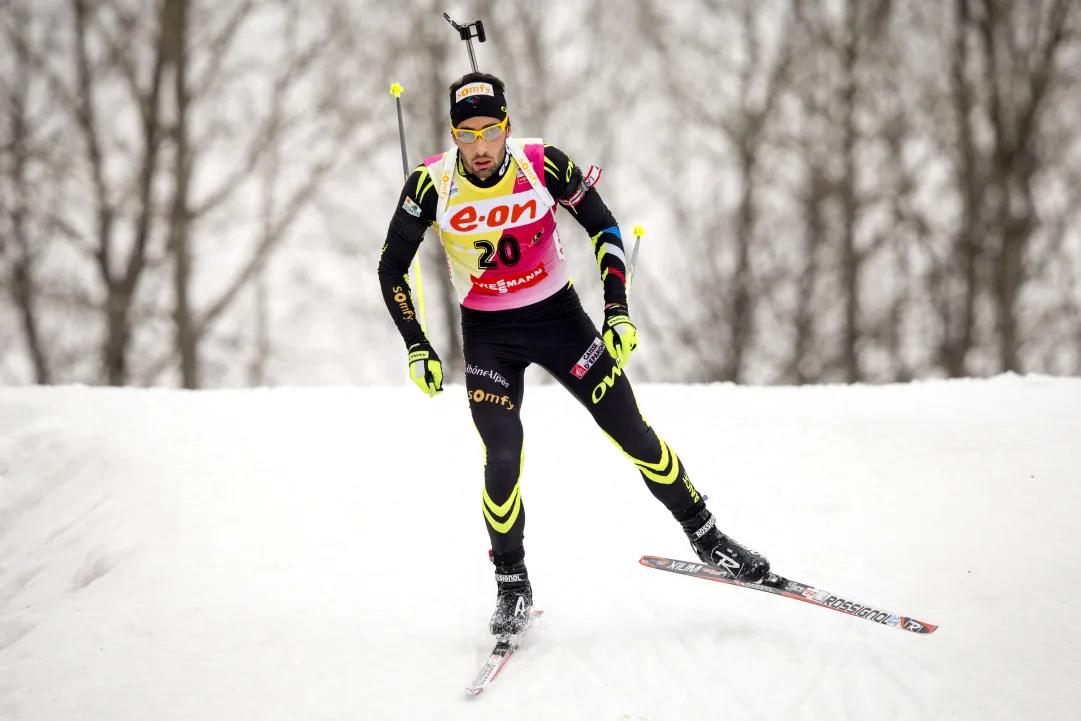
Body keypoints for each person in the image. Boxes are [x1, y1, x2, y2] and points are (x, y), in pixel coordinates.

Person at [377, 72, 771, 637]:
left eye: (491, 131)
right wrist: (417, 345)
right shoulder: (429, 184)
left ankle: (707, 536)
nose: (481, 146)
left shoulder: (544, 165)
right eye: (467, 134)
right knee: (503, 453)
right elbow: (392, 265)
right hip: (489, 336)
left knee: (632, 432)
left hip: (560, 322)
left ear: (507, 126)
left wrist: (617, 312)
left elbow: (605, 229)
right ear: (453, 135)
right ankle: (511, 582)